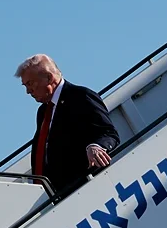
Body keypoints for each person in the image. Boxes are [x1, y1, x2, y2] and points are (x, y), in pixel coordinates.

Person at [15, 54, 120, 194]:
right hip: (57, 194)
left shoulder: (81, 96)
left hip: (84, 188)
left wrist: (96, 146)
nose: (28, 91)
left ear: (49, 78)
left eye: (30, 84)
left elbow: (109, 133)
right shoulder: (43, 112)